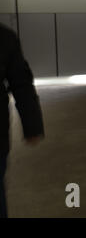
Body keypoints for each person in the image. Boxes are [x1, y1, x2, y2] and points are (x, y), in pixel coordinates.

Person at [0, 24, 45, 218]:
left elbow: (21, 82)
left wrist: (32, 125)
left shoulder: (4, 37)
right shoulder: (4, 35)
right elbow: (21, 82)